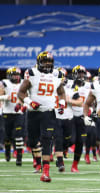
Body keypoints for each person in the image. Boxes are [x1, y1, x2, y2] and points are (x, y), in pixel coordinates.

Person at [18, 51, 65, 182]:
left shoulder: (57, 74)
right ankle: (38, 163)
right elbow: (21, 93)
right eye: (45, 61)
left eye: (49, 62)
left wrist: (61, 104)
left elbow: (61, 92)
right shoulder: (32, 73)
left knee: (47, 139)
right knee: (32, 141)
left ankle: (45, 172)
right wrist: (29, 102)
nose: (47, 64)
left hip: (48, 112)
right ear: (39, 62)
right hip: (33, 113)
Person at [0, 67, 25, 166]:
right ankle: (7, 151)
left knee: (18, 135)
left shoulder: (23, 83)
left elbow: (27, 95)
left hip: (19, 113)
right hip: (7, 112)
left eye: (17, 75)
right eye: (14, 75)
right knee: (7, 136)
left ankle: (19, 157)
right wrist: (5, 97)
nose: (16, 77)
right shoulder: (5, 83)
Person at [69, 65, 91, 173]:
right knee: (70, 139)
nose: (81, 75)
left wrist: (91, 109)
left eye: (83, 73)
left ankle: (74, 165)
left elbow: (93, 100)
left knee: (80, 142)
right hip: (70, 116)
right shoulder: (69, 85)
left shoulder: (89, 86)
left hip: (82, 117)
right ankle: (61, 150)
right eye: (79, 73)